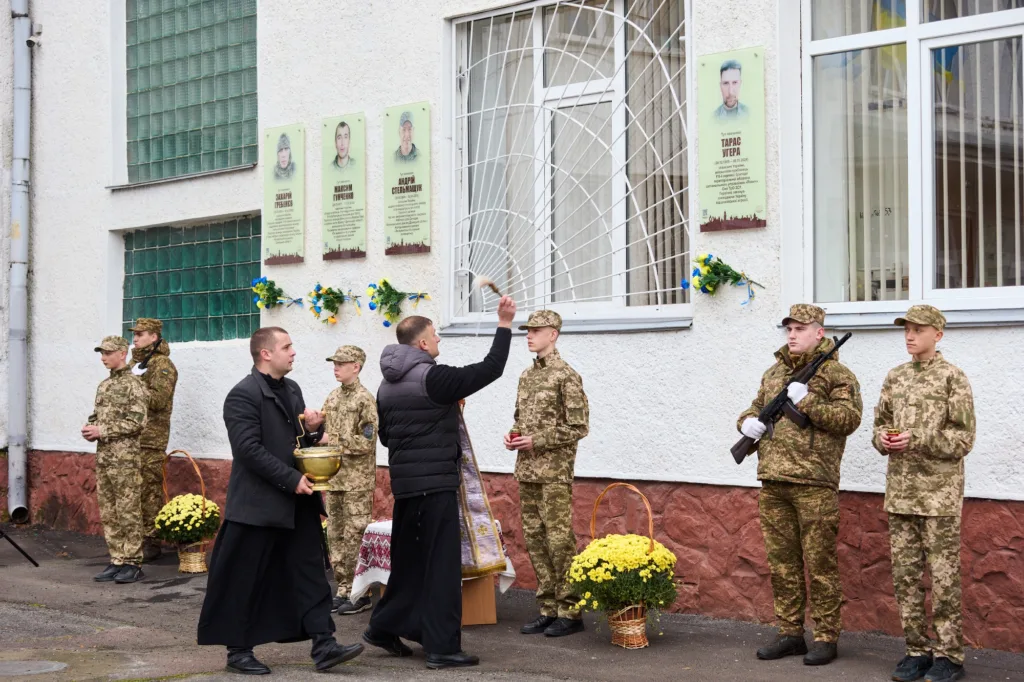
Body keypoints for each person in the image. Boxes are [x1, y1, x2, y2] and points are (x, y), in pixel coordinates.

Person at [196, 327, 363, 675]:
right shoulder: (242, 395)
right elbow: (248, 450)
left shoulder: (291, 389)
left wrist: (314, 430)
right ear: (265, 353)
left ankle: (324, 644)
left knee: (310, 573)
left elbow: (294, 442)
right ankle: (238, 651)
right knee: (245, 578)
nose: (293, 352)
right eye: (287, 346)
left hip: (297, 504)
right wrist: (290, 479)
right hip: (258, 506)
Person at [364, 297, 517, 670]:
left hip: (407, 488)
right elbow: (491, 368)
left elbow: (387, 438)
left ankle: (384, 626)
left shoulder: (385, 386)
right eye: (434, 336)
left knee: (411, 565)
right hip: (436, 488)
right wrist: (504, 324)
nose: (438, 342)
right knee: (442, 570)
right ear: (421, 343)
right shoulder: (435, 378)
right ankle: (442, 648)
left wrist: (440, 412)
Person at [737, 304, 862, 666]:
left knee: (820, 563)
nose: (791, 334)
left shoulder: (837, 374)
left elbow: (848, 420)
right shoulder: (773, 372)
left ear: (819, 333)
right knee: (782, 564)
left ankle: (825, 636)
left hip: (814, 483)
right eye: (788, 328)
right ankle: (790, 632)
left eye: (800, 329)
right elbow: (752, 409)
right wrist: (746, 425)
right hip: (774, 480)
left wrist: (805, 399)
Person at [873, 305, 975, 682]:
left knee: (944, 579)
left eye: (918, 329)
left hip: (939, 497)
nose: (909, 336)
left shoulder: (953, 378)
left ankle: (949, 656)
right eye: (906, 329)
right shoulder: (895, 377)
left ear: (938, 335)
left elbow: (964, 439)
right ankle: (916, 651)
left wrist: (920, 437)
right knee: (905, 578)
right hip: (901, 494)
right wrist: (882, 439)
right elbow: (879, 425)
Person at [505, 310, 589, 638]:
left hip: (554, 473)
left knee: (559, 540)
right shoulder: (527, 376)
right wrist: (513, 435)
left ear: (552, 334)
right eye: (528, 330)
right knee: (536, 540)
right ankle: (548, 607)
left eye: (536, 330)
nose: (529, 335)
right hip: (527, 470)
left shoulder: (566, 375)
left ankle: (571, 610)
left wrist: (537, 440)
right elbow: (521, 418)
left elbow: (579, 426)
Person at [83, 336, 148, 584]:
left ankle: (133, 562)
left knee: (128, 510)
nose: (103, 357)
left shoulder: (135, 385)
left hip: (125, 459)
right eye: (101, 353)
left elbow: (137, 422)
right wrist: (91, 428)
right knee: (109, 510)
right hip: (105, 458)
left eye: (108, 353)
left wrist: (103, 431)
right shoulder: (104, 386)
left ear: (122, 353)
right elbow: (96, 415)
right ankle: (117, 559)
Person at [320, 345, 377, 616]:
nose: (336, 367)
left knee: (356, 535)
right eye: (334, 362)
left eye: (341, 363)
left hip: (357, 481)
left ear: (356, 366)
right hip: (334, 479)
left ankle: (361, 591)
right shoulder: (332, 398)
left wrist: (336, 440)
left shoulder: (365, 399)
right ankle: (343, 588)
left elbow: (367, 441)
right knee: (336, 535)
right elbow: (321, 433)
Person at [129, 318, 178, 563]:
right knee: (132, 491)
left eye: (141, 334)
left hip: (150, 438)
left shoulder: (162, 365)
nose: (135, 338)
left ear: (154, 337)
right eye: (134, 334)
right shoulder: (135, 363)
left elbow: (158, 400)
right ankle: (133, 539)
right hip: (129, 438)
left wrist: (133, 384)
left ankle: (151, 541)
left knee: (149, 491)